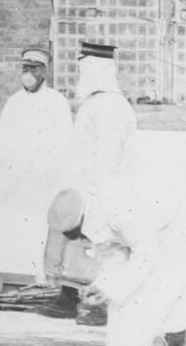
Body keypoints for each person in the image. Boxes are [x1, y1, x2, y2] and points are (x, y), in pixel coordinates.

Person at [46, 170, 186, 346]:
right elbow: (112, 256)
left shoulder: (122, 210)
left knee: (170, 275)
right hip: (154, 217)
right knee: (125, 287)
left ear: (83, 217)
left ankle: (174, 342)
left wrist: (112, 290)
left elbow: (145, 256)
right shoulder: (94, 213)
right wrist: (103, 286)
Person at [38, 41, 138, 323]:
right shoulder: (93, 103)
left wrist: (99, 193)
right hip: (83, 188)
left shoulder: (111, 106)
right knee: (75, 245)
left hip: (102, 190)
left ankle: (100, 305)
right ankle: (69, 297)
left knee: (104, 250)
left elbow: (108, 155)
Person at [0, 47, 73, 283]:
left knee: (36, 228)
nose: (28, 73)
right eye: (25, 68)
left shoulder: (56, 102)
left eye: (34, 69)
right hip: (15, 180)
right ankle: (7, 280)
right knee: (9, 226)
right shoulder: (14, 102)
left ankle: (34, 281)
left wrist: (48, 170)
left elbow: (64, 143)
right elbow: (3, 140)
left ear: (44, 72)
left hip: (42, 181)